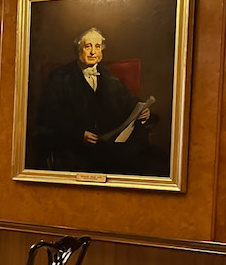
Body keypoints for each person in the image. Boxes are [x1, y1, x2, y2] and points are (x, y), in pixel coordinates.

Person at [32, 27, 161, 175]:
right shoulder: (60, 77)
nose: (93, 51)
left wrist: (143, 112)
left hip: (109, 147)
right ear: (78, 50)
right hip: (75, 147)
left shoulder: (108, 76)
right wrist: (79, 134)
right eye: (88, 46)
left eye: (97, 46)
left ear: (101, 52)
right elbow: (48, 115)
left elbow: (128, 102)